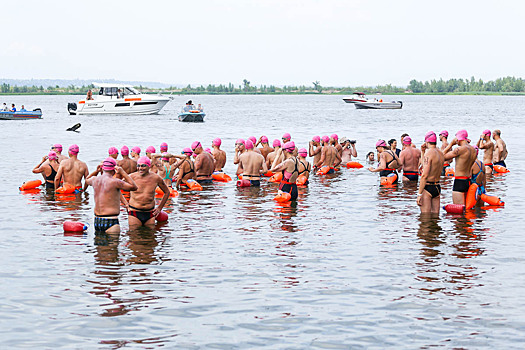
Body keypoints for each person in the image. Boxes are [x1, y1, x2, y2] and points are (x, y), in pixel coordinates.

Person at [86, 158, 138, 233]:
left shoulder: (94, 180)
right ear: (114, 169)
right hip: (111, 220)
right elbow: (134, 187)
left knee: (99, 244)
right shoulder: (116, 182)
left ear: (102, 168)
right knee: (112, 244)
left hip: (97, 220)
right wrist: (123, 173)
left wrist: (96, 171)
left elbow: (87, 179)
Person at [127, 156, 170, 228]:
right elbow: (116, 187)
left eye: (143, 166)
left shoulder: (156, 178)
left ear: (149, 166)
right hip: (134, 212)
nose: (140, 168)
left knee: (150, 236)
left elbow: (167, 192)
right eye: (138, 166)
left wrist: (159, 208)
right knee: (134, 236)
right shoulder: (131, 177)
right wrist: (125, 203)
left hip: (150, 212)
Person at [443, 130, 478, 205]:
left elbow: (442, 157)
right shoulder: (473, 150)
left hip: (459, 181)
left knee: (458, 211)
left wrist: (450, 145)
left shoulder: (459, 149)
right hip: (468, 181)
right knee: (467, 209)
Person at [417, 131, 444, 214]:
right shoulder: (440, 153)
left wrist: (419, 194)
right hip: (437, 187)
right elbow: (424, 164)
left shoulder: (429, 154)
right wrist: (422, 151)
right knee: (435, 218)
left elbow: (424, 175)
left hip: (427, 187)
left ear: (426, 141)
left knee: (425, 219)